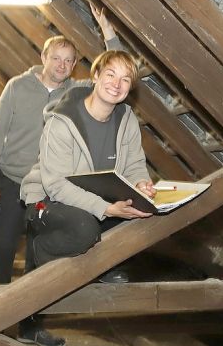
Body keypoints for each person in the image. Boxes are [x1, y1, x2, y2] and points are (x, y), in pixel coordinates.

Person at [0, 6, 118, 346]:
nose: (62, 65)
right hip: (12, 183)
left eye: (69, 60)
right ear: (44, 57)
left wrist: (108, 32)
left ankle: (30, 328)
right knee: (2, 253)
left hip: (50, 188)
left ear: (74, 65)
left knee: (39, 259)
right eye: (56, 58)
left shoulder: (76, 93)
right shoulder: (17, 87)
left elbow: (116, 73)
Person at [20, 49, 153, 291]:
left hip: (90, 200)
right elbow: (56, 186)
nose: (117, 84)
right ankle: (41, 250)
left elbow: (134, 165)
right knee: (84, 229)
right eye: (111, 75)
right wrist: (106, 208)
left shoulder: (127, 119)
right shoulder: (61, 122)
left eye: (125, 79)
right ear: (96, 76)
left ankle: (103, 265)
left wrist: (142, 184)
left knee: (143, 219)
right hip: (45, 202)